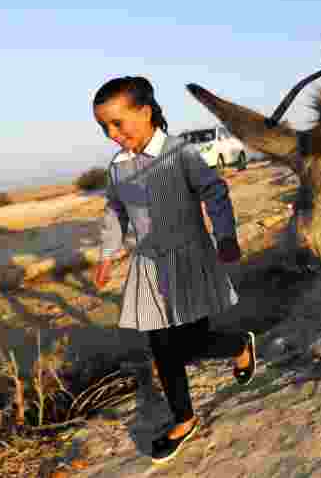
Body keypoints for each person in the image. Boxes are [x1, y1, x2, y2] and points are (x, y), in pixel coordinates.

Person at [92, 76, 257, 465]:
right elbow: (115, 210)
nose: (112, 134)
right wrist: (107, 254)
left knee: (192, 342)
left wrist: (226, 236)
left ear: (145, 112)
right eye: (104, 127)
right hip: (148, 264)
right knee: (161, 346)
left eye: (118, 123)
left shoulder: (178, 154)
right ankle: (183, 419)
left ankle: (238, 345)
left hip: (188, 260)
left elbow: (214, 191)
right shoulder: (117, 167)